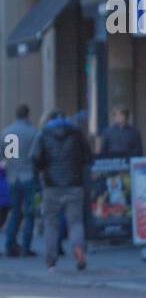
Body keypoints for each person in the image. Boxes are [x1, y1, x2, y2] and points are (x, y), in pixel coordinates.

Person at [31, 109, 93, 270]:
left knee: (51, 222)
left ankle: (51, 260)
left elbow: (35, 157)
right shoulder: (77, 132)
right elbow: (88, 156)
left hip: (52, 185)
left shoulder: (44, 133)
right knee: (75, 222)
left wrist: (43, 170)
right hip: (74, 184)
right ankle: (78, 247)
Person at [1, 103, 38, 257]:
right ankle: (26, 245)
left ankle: (10, 244)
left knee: (15, 212)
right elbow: (35, 155)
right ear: (28, 114)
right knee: (29, 212)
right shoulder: (33, 132)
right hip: (28, 175)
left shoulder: (8, 132)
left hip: (13, 176)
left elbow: (7, 157)